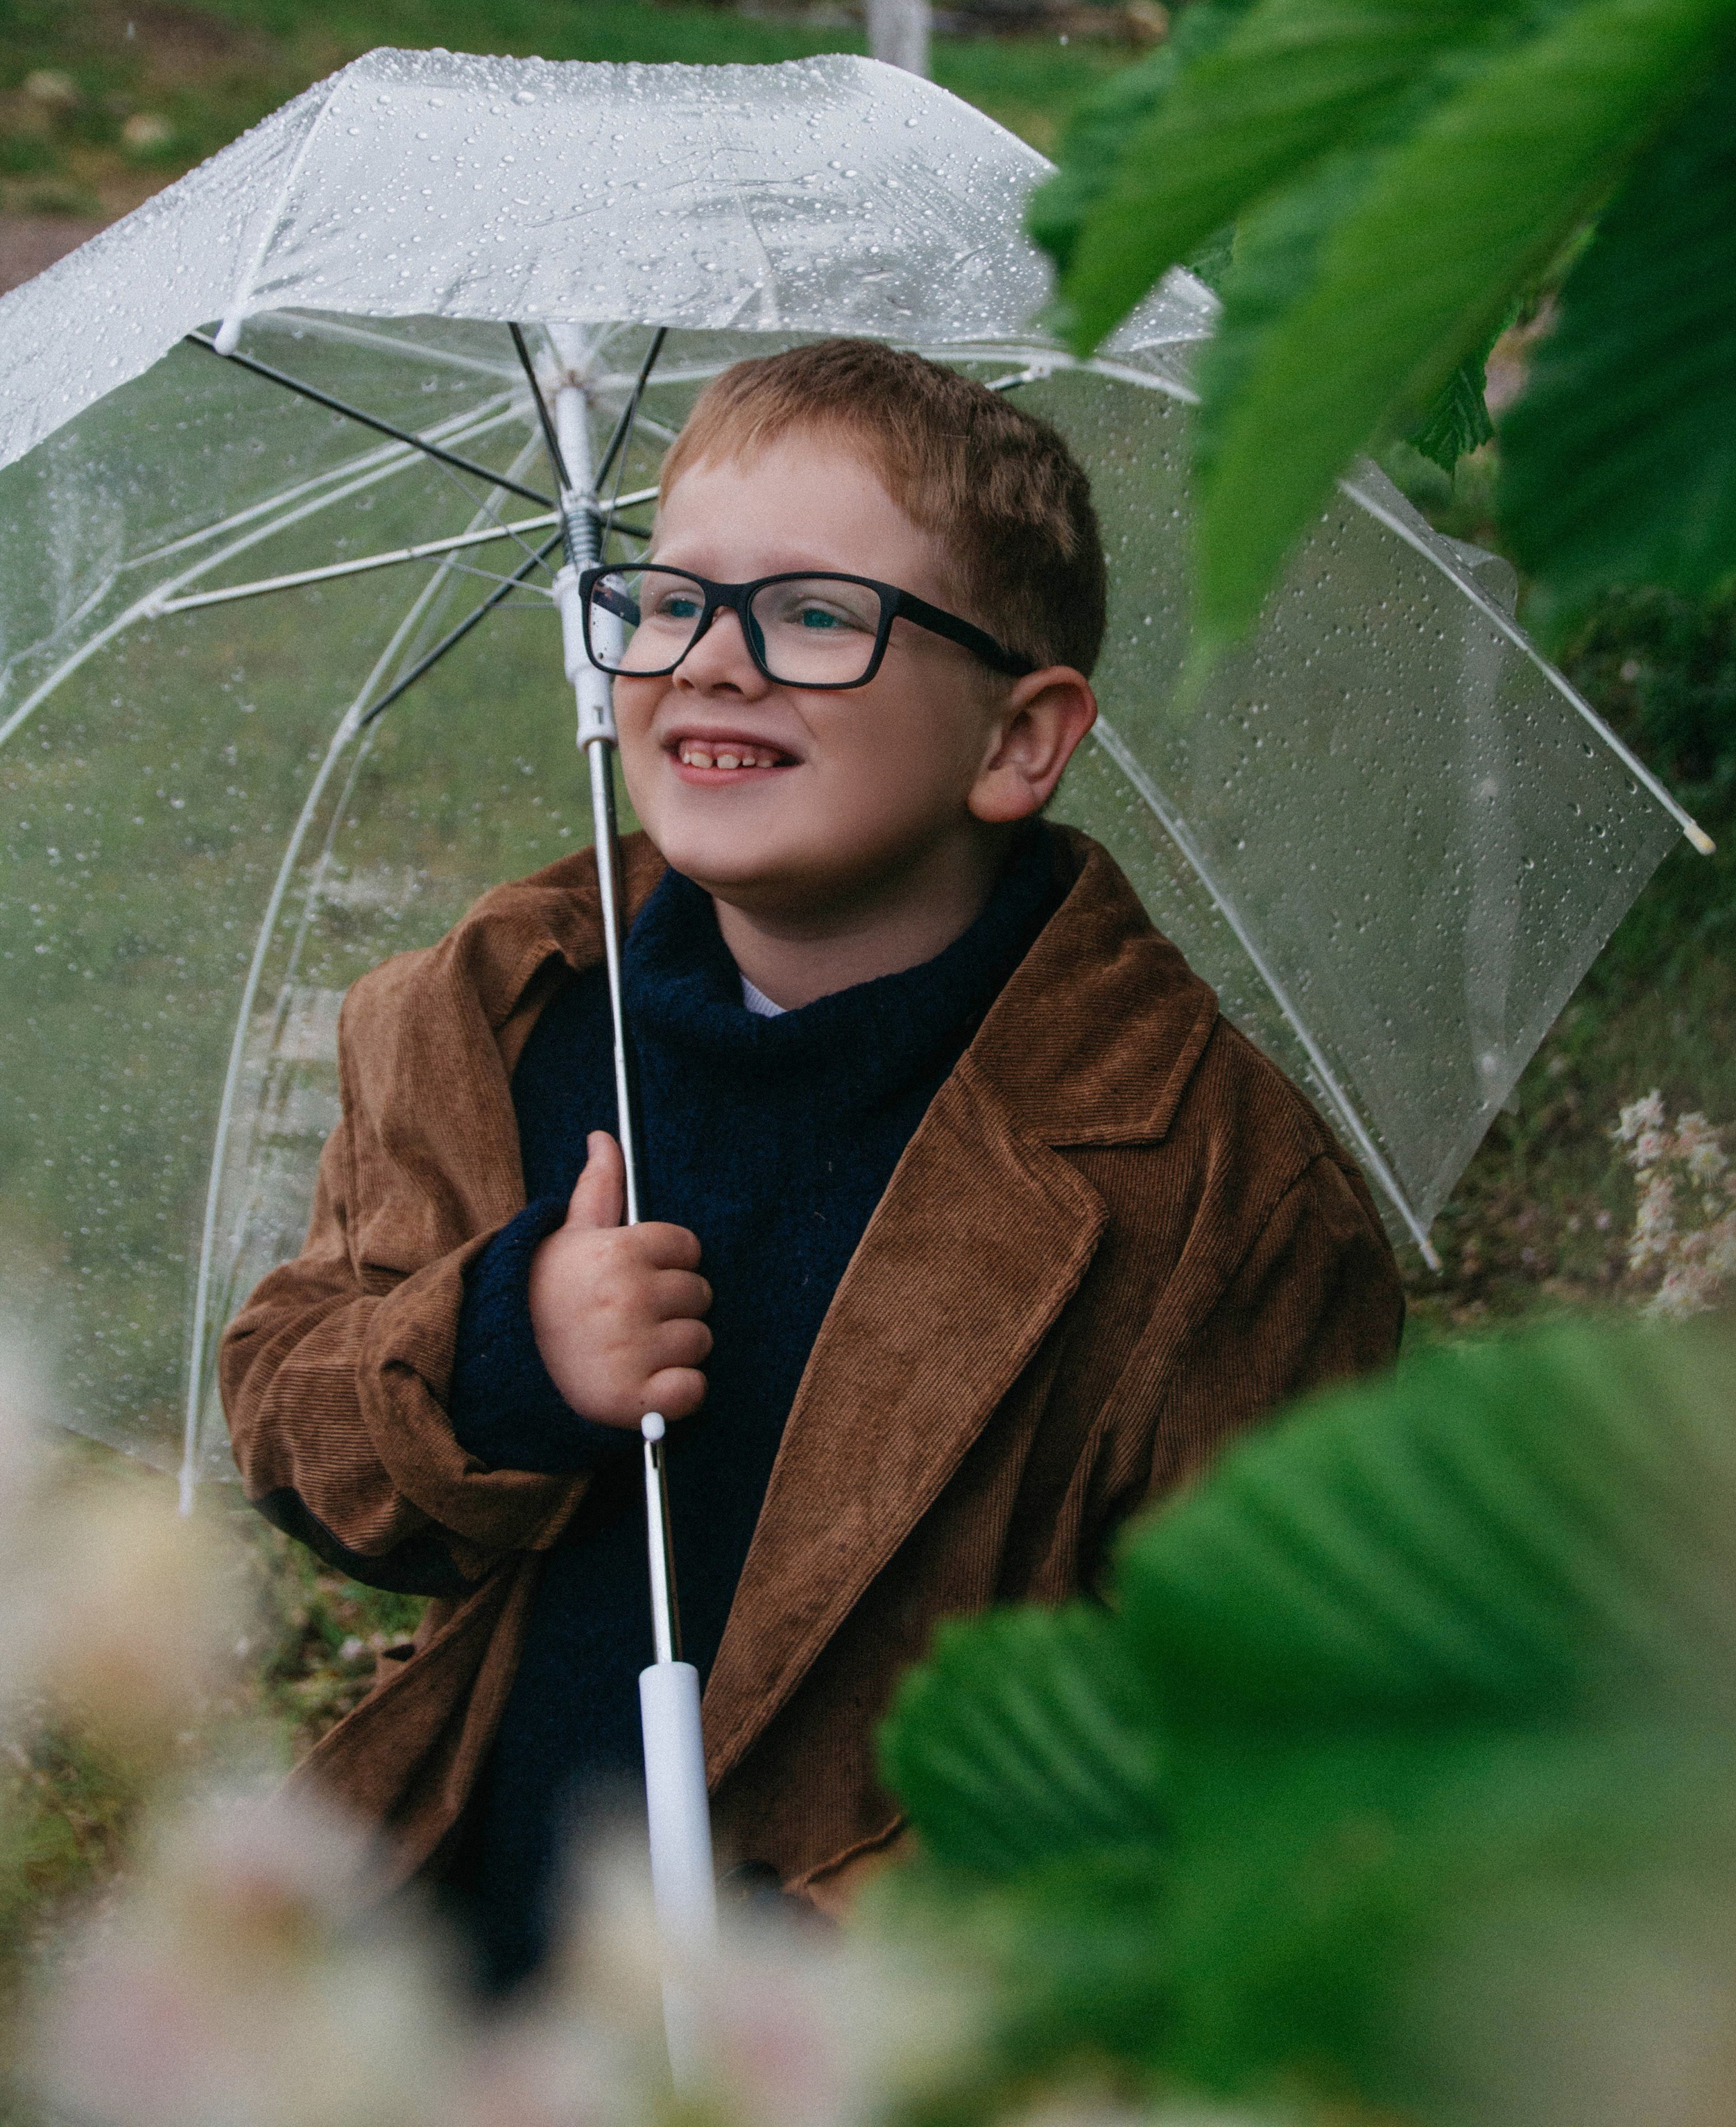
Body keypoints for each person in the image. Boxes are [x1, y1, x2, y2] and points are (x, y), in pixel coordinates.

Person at [220, 337, 1404, 1989]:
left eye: (819, 615)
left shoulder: (1206, 1188)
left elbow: (1249, 1713)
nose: (711, 662)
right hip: (479, 1948)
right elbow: (297, 1418)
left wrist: (870, 1944)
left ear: (1018, 740)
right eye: (672, 599)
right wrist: (507, 1351)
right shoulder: (497, 1024)